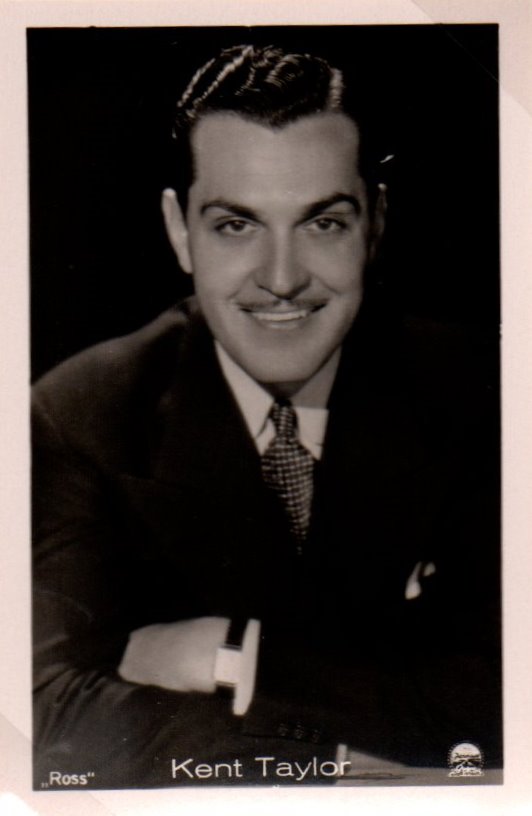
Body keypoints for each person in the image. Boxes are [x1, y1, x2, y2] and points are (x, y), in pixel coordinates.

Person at [32, 43, 501, 789]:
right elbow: (47, 717)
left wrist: (235, 657)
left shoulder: (484, 391)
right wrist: (332, 758)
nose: (282, 280)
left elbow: (507, 696)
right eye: (236, 225)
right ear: (179, 231)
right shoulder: (78, 415)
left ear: (375, 223)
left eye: (323, 224)